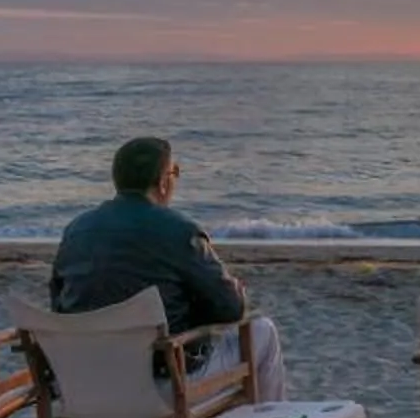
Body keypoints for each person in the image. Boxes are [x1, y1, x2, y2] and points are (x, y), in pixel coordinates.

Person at [48, 137, 289, 402]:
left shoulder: (75, 231)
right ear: (163, 182)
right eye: (175, 172)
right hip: (161, 386)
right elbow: (230, 309)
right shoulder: (179, 231)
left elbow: (61, 306)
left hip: (88, 383)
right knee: (263, 331)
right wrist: (233, 294)